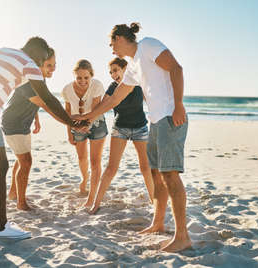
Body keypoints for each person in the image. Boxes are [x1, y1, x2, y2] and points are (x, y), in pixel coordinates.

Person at [0, 37, 87, 239]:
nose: (42, 65)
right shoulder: (28, 63)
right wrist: (71, 122)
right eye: (43, 60)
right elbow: (48, 98)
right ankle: (1, 227)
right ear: (38, 54)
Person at [75, 23, 191, 252]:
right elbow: (113, 100)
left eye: (112, 43)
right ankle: (158, 223)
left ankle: (182, 236)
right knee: (156, 174)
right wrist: (88, 117)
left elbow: (176, 69)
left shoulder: (148, 45)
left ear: (120, 38)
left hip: (170, 117)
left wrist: (178, 105)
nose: (111, 49)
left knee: (170, 175)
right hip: (156, 121)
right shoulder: (133, 66)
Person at [88, 57, 154, 214]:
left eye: (116, 70)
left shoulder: (138, 84)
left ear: (125, 69)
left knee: (146, 168)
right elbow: (103, 106)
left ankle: (154, 202)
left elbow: (151, 101)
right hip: (120, 129)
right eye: (110, 72)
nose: (113, 74)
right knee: (111, 168)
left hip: (140, 128)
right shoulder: (112, 87)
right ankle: (96, 204)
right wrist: (87, 118)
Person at [1, 48, 60, 211]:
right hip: (13, 123)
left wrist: (36, 119)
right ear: (38, 64)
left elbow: (33, 102)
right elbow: (46, 104)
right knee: (26, 162)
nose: (53, 69)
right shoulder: (27, 79)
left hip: (23, 123)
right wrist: (69, 121)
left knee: (22, 160)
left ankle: (13, 194)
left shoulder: (40, 80)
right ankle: (21, 203)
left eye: (55, 64)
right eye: (49, 65)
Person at [62, 59, 108, 208]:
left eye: (86, 77)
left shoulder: (97, 86)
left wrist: (86, 124)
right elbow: (67, 112)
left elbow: (95, 110)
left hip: (96, 124)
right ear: (74, 76)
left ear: (91, 76)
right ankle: (84, 179)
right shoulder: (67, 89)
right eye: (79, 78)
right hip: (76, 126)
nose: (83, 81)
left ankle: (91, 197)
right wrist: (70, 131)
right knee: (82, 158)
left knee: (95, 161)